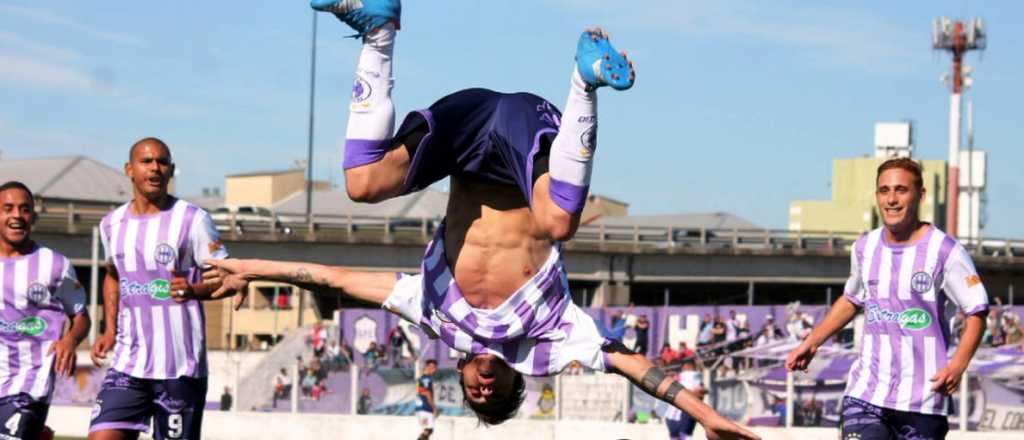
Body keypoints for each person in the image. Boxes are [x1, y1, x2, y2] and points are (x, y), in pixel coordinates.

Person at [205, 1, 758, 438]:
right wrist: (704, 415)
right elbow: (634, 366)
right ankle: (583, 83)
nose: (484, 386)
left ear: (463, 376)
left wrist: (246, 267)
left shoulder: (434, 314)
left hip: (468, 131)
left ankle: (379, 29)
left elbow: (336, 279)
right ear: (519, 378)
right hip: (523, 138)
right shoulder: (551, 339)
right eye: (496, 393)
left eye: (475, 392)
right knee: (559, 221)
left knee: (362, 182)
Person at [786, 158, 989, 440]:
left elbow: (977, 310)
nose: (891, 199)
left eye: (901, 190)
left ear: (921, 195)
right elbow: (851, 300)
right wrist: (811, 341)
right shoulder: (864, 247)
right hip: (866, 393)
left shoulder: (946, 250)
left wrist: (958, 364)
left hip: (924, 399)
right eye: (884, 190)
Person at [87, 138, 236, 440]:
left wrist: (194, 289)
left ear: (171, 170)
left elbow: (228, 278)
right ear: (129, 169)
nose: (155, 168)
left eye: (162, 162)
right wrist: (109, 329)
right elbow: (113, 275)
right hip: (128, 364)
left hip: (179, 366)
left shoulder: (193, 220)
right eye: (147, 161)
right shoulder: (111, 225)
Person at [0, 181, 91, 439]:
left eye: (24, 209)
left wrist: (70, 340)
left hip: (31, 381)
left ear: (33, 216)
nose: (17, 215)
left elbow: (81, 316)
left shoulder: (55, 264)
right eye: (8, 208)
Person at [664, 361, 706, 440]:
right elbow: (700, 392)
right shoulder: (680, 376)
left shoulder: (694, 375)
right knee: (680, 436)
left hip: (682, 412)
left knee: (681, 436)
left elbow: (700, 392)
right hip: (676, 412)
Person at [415, 360, 438, 440]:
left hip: (421, 407)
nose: (435, 370)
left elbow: (419, 390)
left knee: (428, 430)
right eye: (433, 367)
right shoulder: (426, 379)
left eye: (435, 368)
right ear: (427, 367)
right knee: (428, 430)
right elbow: (427, 393)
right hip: (425, 407)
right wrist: (434, 408)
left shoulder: (421, 378)